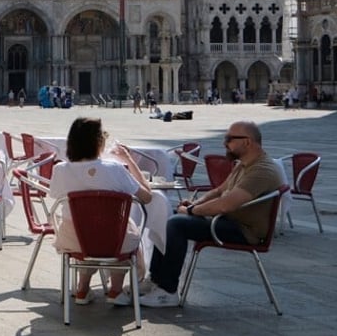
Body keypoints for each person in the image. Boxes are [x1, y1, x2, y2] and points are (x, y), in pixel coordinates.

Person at [140, 120, 284, 308]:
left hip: (244, 231)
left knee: (176, 224)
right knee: (166, 215)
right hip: (227, 221)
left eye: (230, 139)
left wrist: (191, 211)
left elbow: (225, 204)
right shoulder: (244, 164)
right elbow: (218, 191)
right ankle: (156, 279)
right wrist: (195, 203)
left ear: (247, 142)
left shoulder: (262, 170)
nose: (225, 143)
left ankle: (168, 291)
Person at [48, 117, 153, 305]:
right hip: (113, 239)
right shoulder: (115, 169)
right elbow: (147, 197)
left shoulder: (60, 169)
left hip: (73, 239)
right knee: (123, 230)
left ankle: (82, 289)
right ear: (99, 142)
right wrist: (129, 161)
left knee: (85, 229)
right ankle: (116, 290)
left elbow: (55, 195)